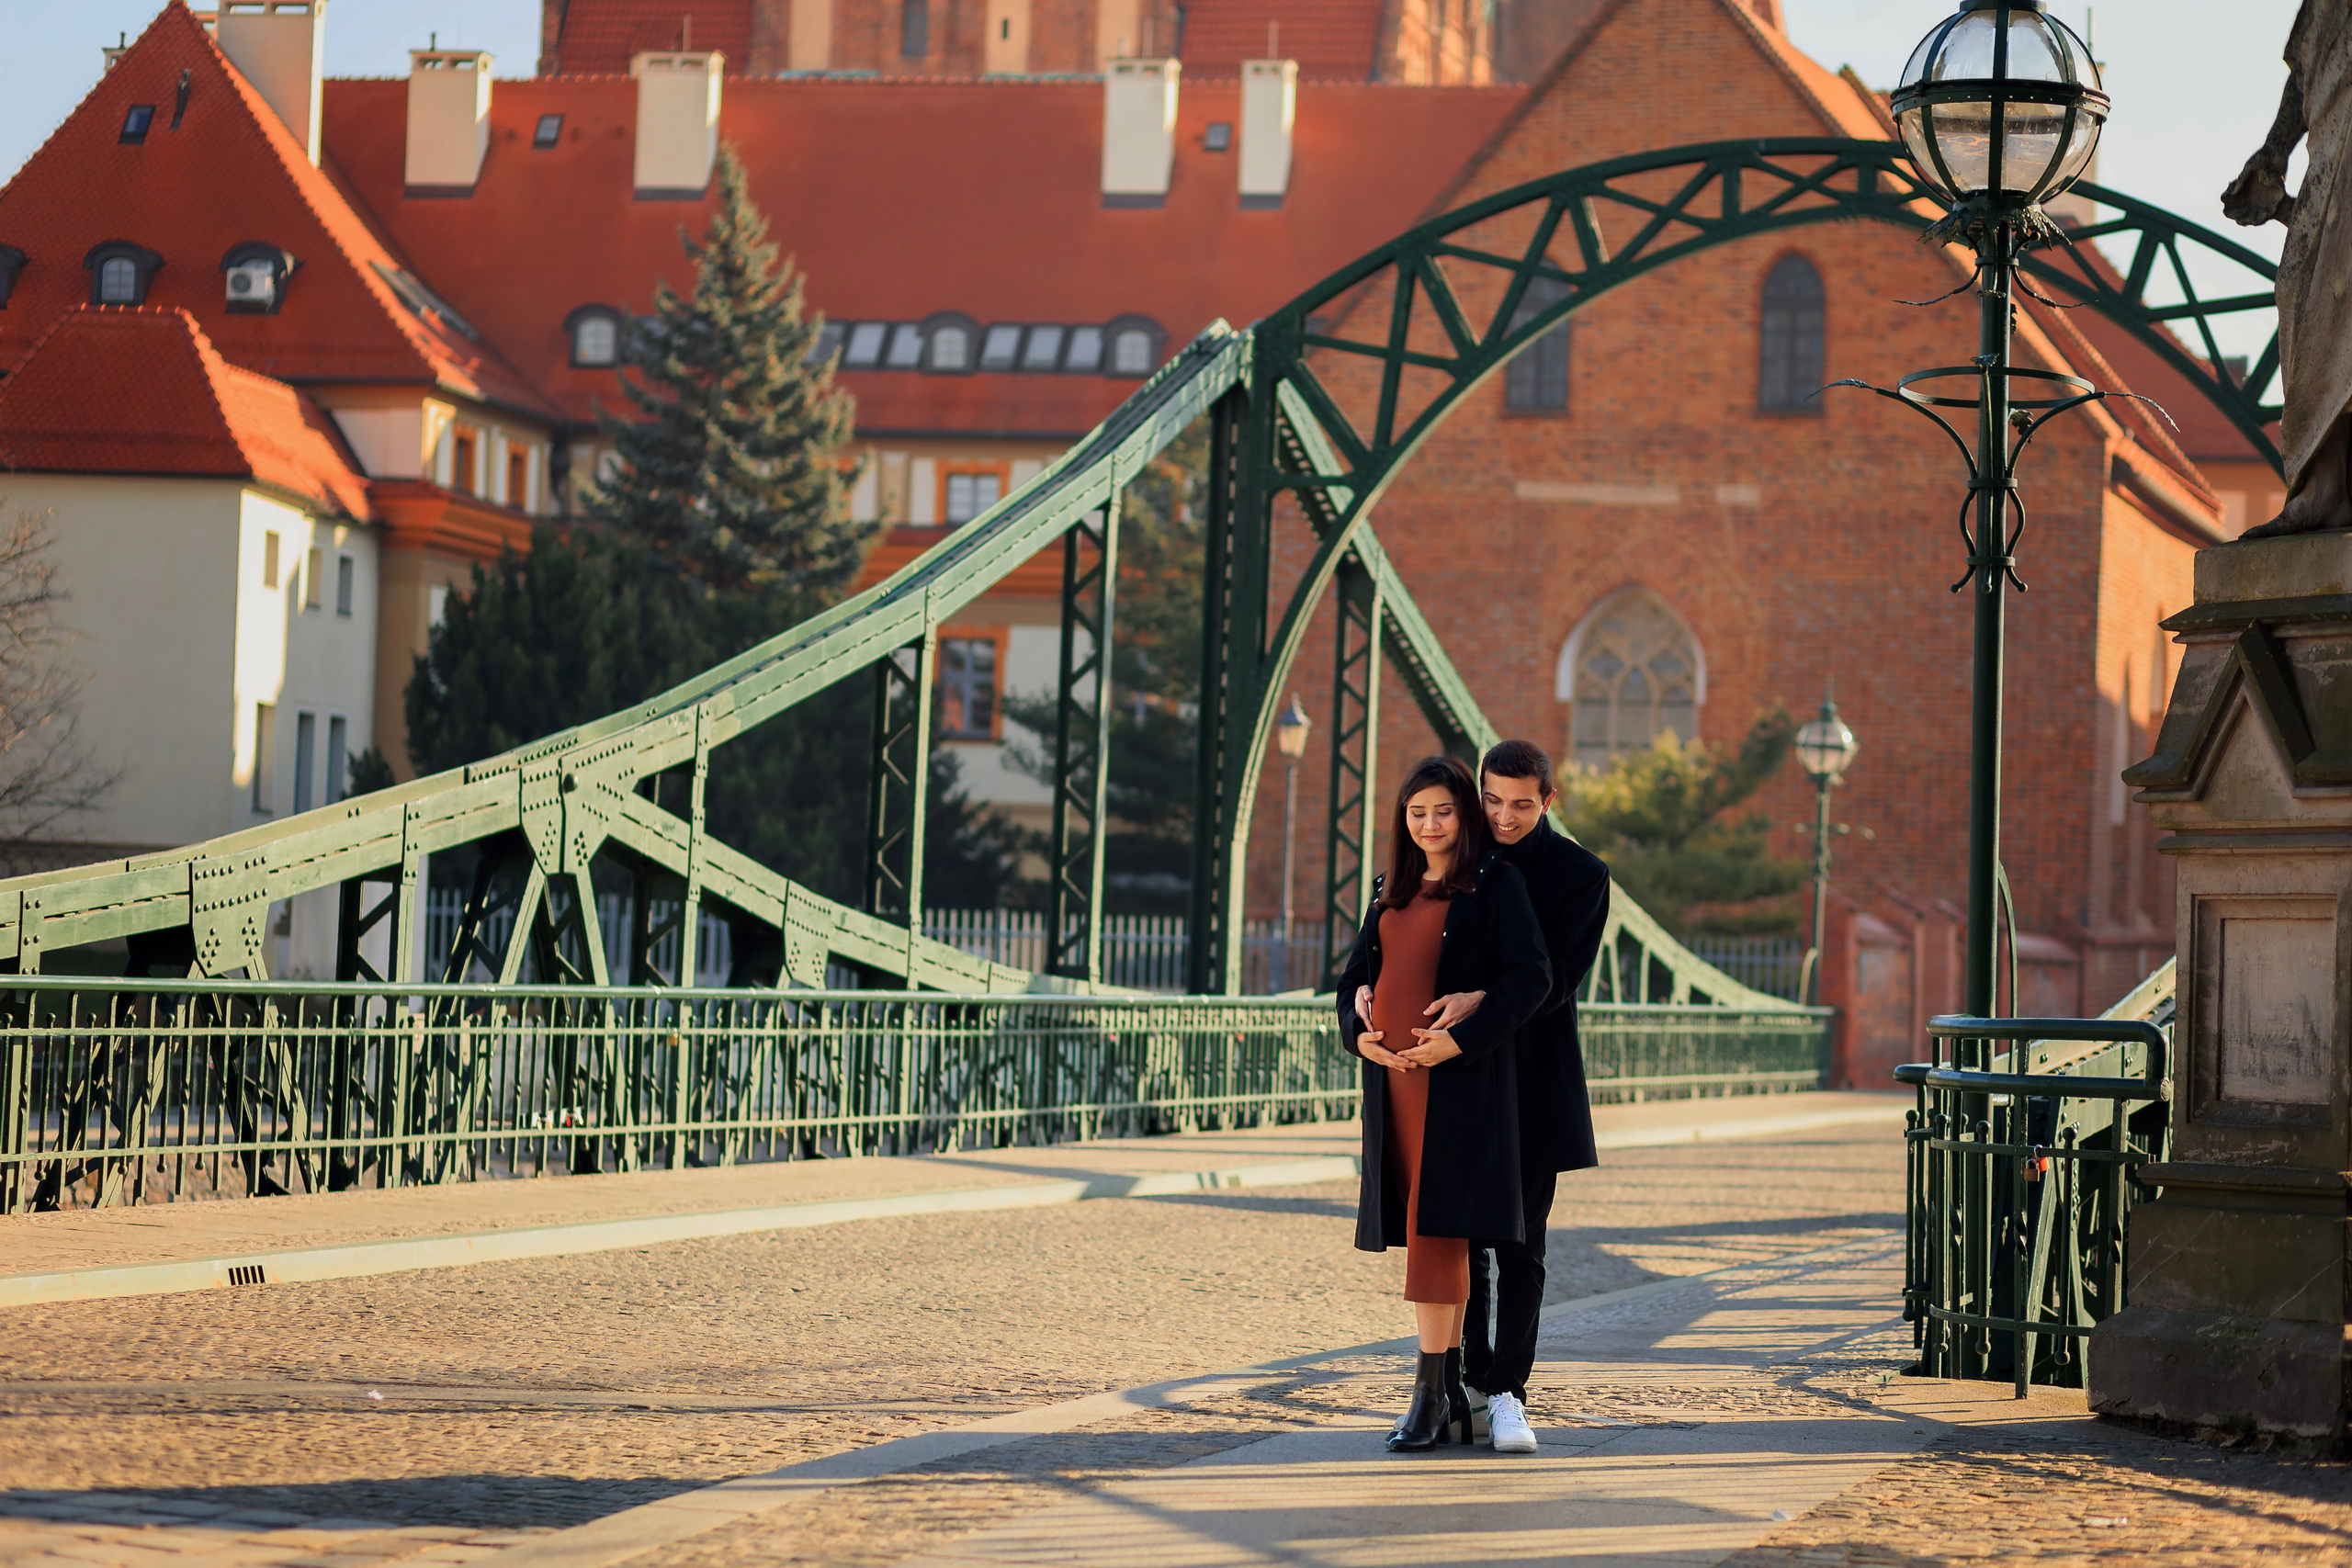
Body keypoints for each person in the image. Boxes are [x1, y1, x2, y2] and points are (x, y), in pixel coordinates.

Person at [1356, 739, 1609, 1455]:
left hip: (1529, 1078)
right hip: (1459, 1079)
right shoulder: (1451, 874)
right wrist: (1367, 1013)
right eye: (1490, 800)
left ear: (1548, 800)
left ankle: (1507, 1392)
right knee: (1459, 1232)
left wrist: (1477, 1004)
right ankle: (1458, 1383)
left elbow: (1551, 978)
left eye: (1521, 803)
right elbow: (1382, 961)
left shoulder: (1577, 874)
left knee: (1521, 1241)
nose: (1503, 815)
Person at [1334, 753, 1552, 1452]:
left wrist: (1457, 1044)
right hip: (1394, 1085)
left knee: (1439, 1233)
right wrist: (1357, 1033)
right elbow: (1351, 986)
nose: (1430, 824)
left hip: (1455, 1087)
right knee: (1431, 1229)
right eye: (1416, 811)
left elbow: (1532, 978)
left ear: (1465, 814)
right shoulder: (1387, 889)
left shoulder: (1495, 885)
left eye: (1444, 810)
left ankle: (1431, 1395)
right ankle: (1448, 1389)